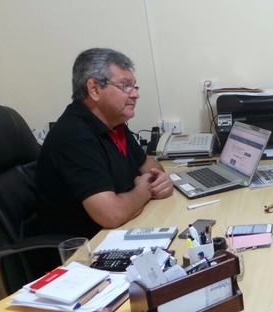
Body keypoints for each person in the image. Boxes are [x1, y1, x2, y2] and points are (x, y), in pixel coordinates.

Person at [37, 48, 173, 239]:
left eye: (135, 87)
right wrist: (145, 190)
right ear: (94, 89)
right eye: (125, 86)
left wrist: (160, 180)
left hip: (122, 230)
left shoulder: (114, 123)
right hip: (85, 250)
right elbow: (111, 214)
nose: (135, 95)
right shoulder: (73, 137)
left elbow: (149, 165)